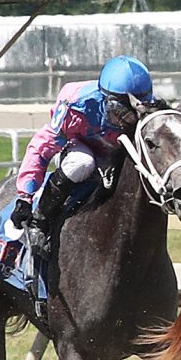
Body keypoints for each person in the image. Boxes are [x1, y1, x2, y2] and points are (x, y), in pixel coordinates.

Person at [9, 56, 156, 257]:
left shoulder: (149, 109)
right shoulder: (76, 105)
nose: (127, 119)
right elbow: (41, 148)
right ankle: (40, 221)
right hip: (81, 147)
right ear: (105, 98)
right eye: (120, 111)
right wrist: (24, 197)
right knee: (82, 162)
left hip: (117, 152)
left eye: (134, 112)